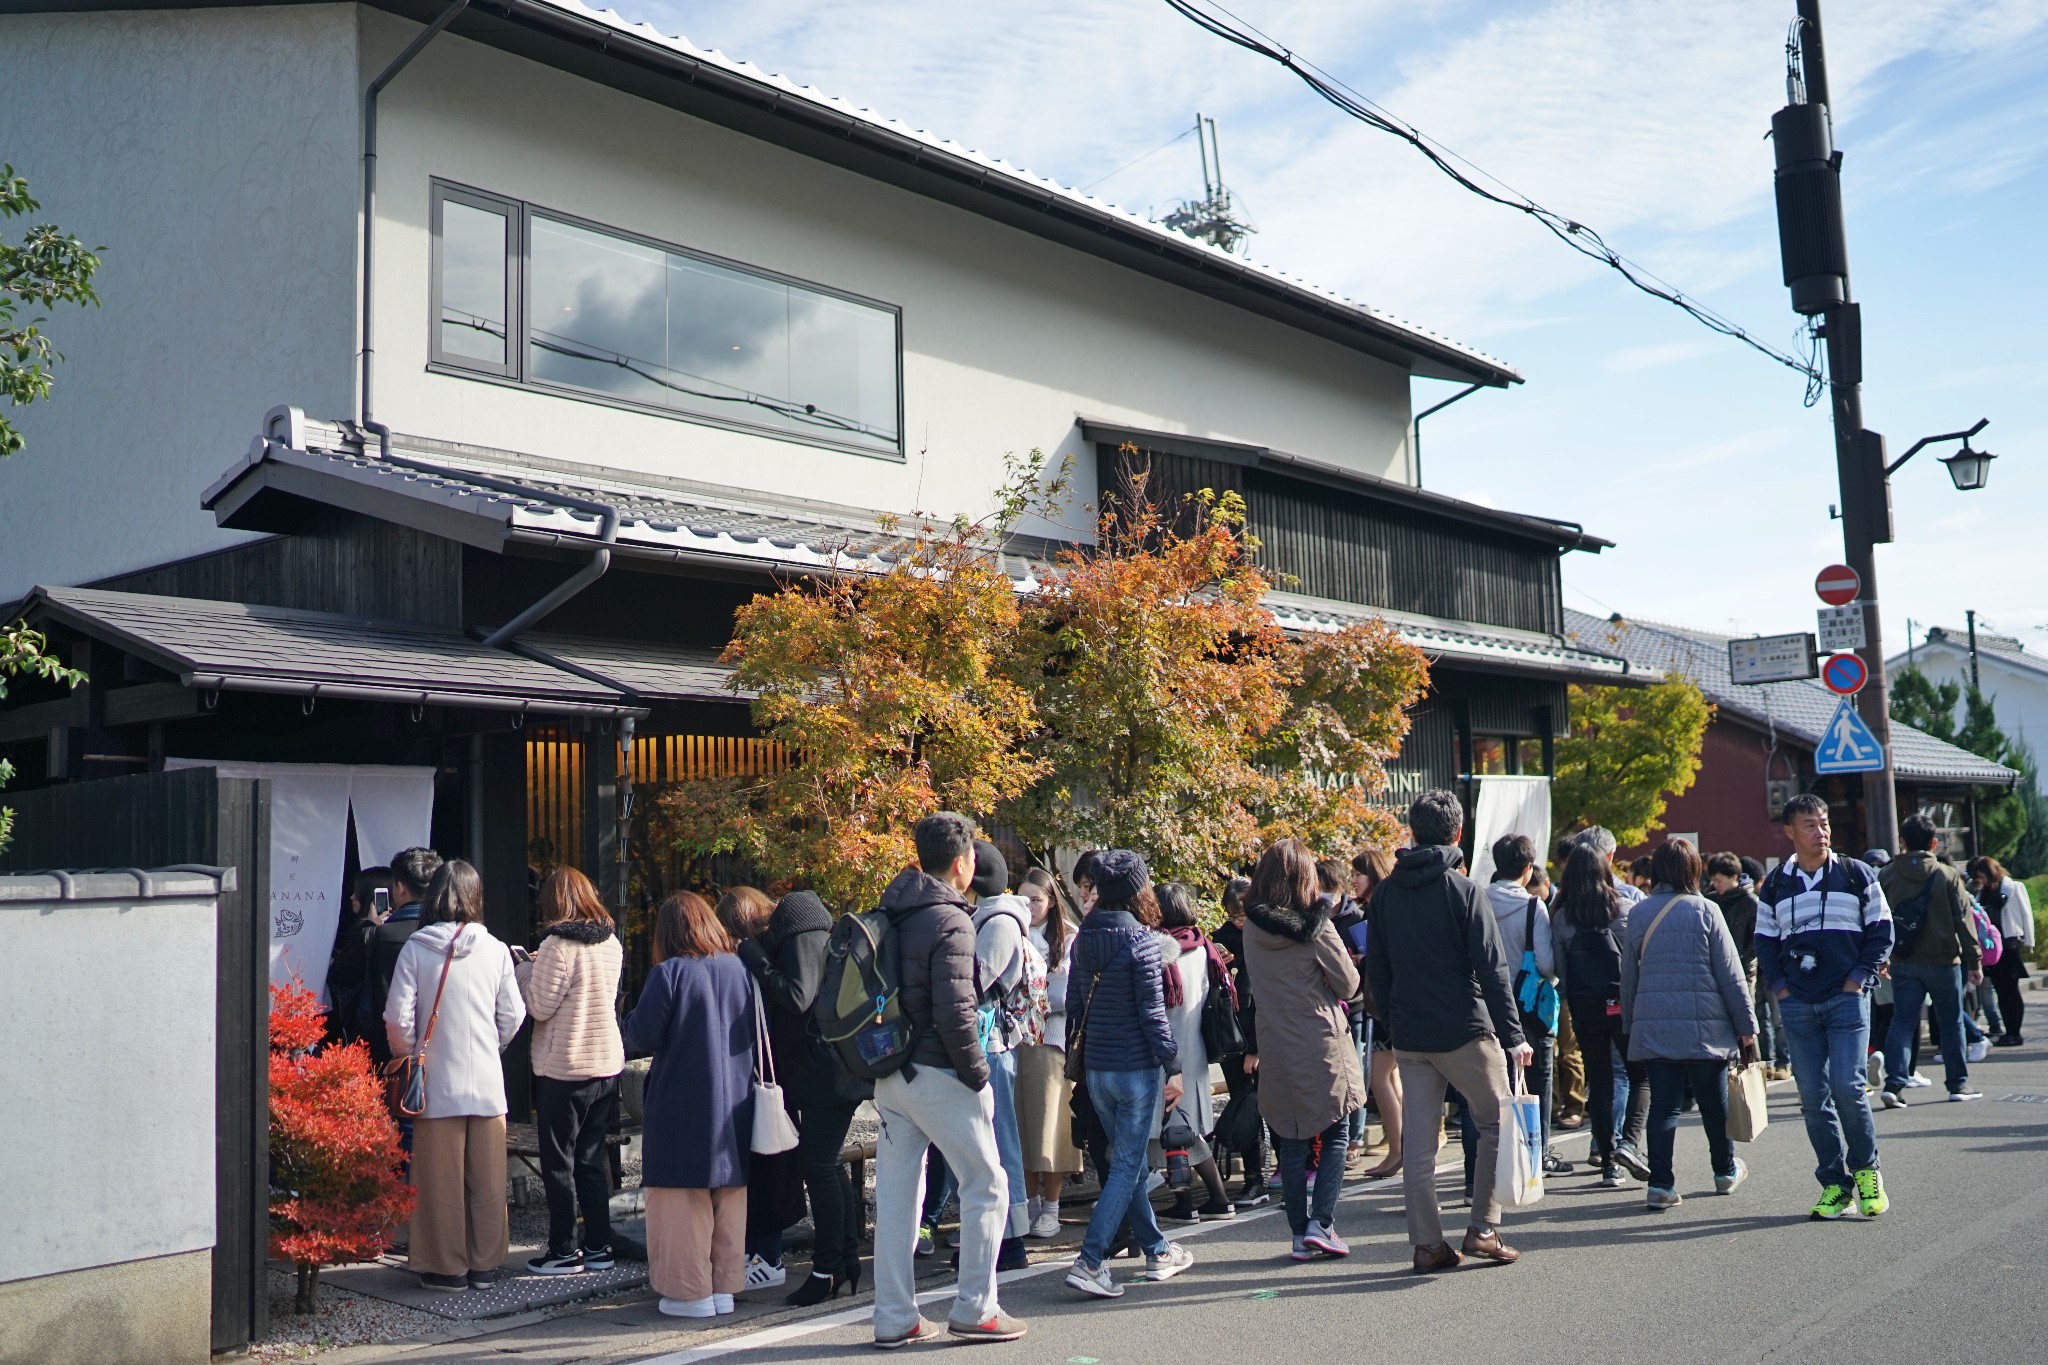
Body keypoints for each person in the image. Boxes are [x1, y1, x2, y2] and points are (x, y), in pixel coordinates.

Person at [871, 812, 1025, 1347]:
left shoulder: (891, 909)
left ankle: (894, 1317)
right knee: (987, 1184)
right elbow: (957, 1012)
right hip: (940, 1072)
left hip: (890, 1075)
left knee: (897, 1198)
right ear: (963, 863)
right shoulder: (953, 921)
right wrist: (978, 1076)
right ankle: (977, 1308)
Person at [1366, 790, 1532, 1273]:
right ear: (1458, 835)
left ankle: (1427, 1244)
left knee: (1418, 1144)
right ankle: (1483, 1227)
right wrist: (1515, 1036)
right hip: (1465, 1029)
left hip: (1411, 1036)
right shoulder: (1464, 891)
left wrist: (1394, 1025)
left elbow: (1378, 970)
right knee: (1497, 1122)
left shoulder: (1386, 895)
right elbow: (1494, 970)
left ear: (1411, 833)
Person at [383, 860, 526, 1292]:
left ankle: (448, 1269)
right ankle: (485, 1266)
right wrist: (491, 1045)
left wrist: (410, 1054)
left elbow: (397, 1018)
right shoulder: (497, 949)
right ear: (475, 896)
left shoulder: (416, 948)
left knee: (439, 1181)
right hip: (485, 1084)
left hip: (436, 1086)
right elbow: (513, 1015)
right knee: (486, 1181)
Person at [1061, 850, 1194, 1300]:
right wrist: (1172, 1065)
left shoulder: (1082, 940)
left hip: (1097, 1069)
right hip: (1135, 1069)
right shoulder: (1141, 941)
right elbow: (1154, 1017)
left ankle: (1157, 1250)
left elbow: (1076, 1009)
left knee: (1129, 1164)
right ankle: (1091, 1259)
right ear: (1136, 890)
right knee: (1125, 1166)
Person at [1755, 794, 1893, 1220]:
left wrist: (1858, 979)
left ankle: (1867, 1172)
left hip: (1846, 998)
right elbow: (1765, 942)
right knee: (1813, 1097)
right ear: (1790, 831)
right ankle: (1835, 1185)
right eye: (1811, 825)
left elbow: (1882, 931)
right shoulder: (1776, 883)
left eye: (1825, 822)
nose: (1821, 831)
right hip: (1796, 1003)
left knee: (1847, 1087)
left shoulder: (1856, 874)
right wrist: (1780, 987)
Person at [737, 889, 873, 1306]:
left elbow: (797, 996)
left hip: (827, 1077)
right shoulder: (804, 930)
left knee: (819, 1167)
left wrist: (755, 959)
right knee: (825, 1166)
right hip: (828, 1074)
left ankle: (827, 1270)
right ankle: (844, 1262)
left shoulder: (801, 927)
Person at [625, 891, 755, 1319]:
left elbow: (641, 1036)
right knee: (727, 1194)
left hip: (682, 1098)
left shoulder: (669, 973)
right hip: (735, 1098)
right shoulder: (739, 969)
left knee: (682, 1196)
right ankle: (723, 1289)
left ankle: (690, 1292)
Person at [1240, 839, 1365, 1262]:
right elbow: (1349, 985)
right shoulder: (1319, 925)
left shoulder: (1253, 927)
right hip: (1321, 1040)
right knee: (1335, 1133)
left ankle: (1298, 1233)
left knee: (1291, 1140)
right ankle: (1322, 1224)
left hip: (1276, 1041)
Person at [1621, 839, 1759, 1208]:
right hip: (1706, 1029)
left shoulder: (1639, 913)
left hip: (1656, 1025)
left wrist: (1633, 1024)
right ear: (1693, 870)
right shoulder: (1707, 910)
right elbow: (1731, 975)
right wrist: (1747, 1027)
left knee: (1664, 1107)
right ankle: (1724, 1171)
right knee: (1714, 1105)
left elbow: (1628, 977)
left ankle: (1661, 1186)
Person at [516, 867, 625, 1276]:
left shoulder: (557, 945)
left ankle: (563, 1250)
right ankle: (599, 1246)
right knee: (592, 1159)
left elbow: (540, 1006)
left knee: (558, 1161)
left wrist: (524, 967)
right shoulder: (611, 942)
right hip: (605, 1064)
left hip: (564, 1067)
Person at [716, 886, 798, 1292]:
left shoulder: (749, 960)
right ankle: (765, 1254)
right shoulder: (778, 951)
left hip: (759, 1079)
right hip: (781, 1076)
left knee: (762, 1167)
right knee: (772, 1165)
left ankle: (767, 1257)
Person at [1554, 843, 1649, 1187]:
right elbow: (1638, 958)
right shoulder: (1623, 906)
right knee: (1640, 1076)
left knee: (1601, 1080)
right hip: (1623, 1002)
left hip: (1584, 1006)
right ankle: (1630, 1144)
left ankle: (1609, 1164)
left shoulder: (1562, 914)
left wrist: (1573, 998)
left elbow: (1560, 967)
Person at [1878, 816, 1983, 1106]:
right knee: (1950, 1023)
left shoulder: (1886, 876)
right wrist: (1974, 961)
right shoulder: (1947, 875)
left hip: (1903, 960)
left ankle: (1894, 1083)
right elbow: (1964, 921)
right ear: (1933, 843)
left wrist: (1880, 956)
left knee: (1902, 1022)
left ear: (1903, 841)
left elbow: (1877, 920)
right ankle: (1957, 1084)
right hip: (1944, 960)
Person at [1481, 834, 1568, 1177]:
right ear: (1528, 868)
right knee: (1537, 1081)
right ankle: (1535, 1155)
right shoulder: (1534, 907)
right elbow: (1547, 965)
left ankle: (1496, 1157)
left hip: (1487, 1006)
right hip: (1529, 1009)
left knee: (1493, 1082)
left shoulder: (1479, 900)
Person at [1156, 882, 1237, 1222]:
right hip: (1197, 1047)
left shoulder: (1160, 948)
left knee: (1171, 1131)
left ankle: (1186, 1203)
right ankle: (1217, 1200)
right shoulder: (1203, 945)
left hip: (1168, 1051)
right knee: (1187, 1131)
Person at [1016, 866, 1081, 1239]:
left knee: (1051, 1126)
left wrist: (1030, 992)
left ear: (1052, 900)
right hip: (1018, 1039)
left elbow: (1063, 994)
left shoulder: (1068, 937)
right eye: (1023, 899)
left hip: (1053, 1039)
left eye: (1036, 899)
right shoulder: (1013, 930)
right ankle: (1029, 1204)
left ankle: (1052, 1207)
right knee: (1021, 1125)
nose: (1030, 906)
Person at [1209, 875, 1268, 1203]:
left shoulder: (1268, 934)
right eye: (1234, 915)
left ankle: (1282, 1170)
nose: (1239, 921)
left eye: (1244, 914)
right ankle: (1253, 1178)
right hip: (1232, 1036)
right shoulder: (1222, 938)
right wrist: (1216, 958)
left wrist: (1257, 1048)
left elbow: (1266, 995)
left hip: (1262, 1035)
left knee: (1272, 1105)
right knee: (1244, 1105)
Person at [1351, 848, 1405, 1179]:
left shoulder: (1380, 907)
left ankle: (1398, 1151)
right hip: (1392, 1002)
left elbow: (1387, 957)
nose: (1353, 880)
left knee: (1379, 1076)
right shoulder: (1385, 904)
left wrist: (1363, 962)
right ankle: (1401, 1148)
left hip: (1387, 1003)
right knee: (1392, 1076)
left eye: (1358, 873)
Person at [363, 848, 443, 1066]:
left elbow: (379, 997)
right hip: (442, 1048)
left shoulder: (385, 935)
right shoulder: (450, 935)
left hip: (393, 1054)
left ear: (399, 888)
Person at [1971, 856, 2034, 1046]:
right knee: (2000, 990)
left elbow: (2026, 914)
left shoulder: (2013, 887)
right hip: (1993, 946)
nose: (1980, 879)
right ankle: (2009, 1031)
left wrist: (2029, 941)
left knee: (2011, 990)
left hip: (2010, 943)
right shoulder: (1983, 892)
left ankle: (2015, 1032)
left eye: (1982, 875)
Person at [326, 866, 393, 1045]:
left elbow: (340, 973)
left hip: (367, 1022)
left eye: (357, 892)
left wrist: (369, 928)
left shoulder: (365, 932)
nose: (352, 898)